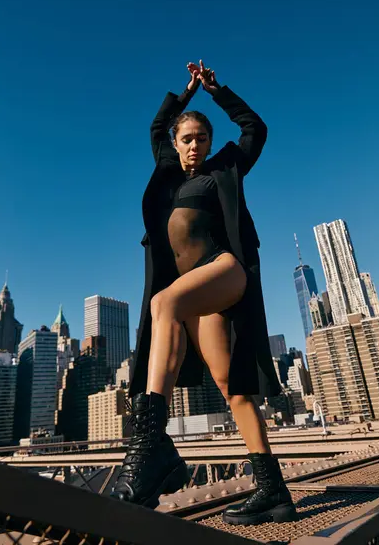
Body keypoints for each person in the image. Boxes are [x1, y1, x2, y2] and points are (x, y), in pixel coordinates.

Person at [111, 61, 298, 525]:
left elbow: (255, 127)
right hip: (193, 295)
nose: (194, 144)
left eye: (201, 138)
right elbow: (158, 124)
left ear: (211, 142)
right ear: (175, 146)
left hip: (224, 270)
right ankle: (274, 492)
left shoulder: (225, 169)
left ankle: (151, 444)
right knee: (232, 390)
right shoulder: (168, 178)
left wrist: (216, 92)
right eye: (186, 138)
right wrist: (184, 94)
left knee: (162, 303)